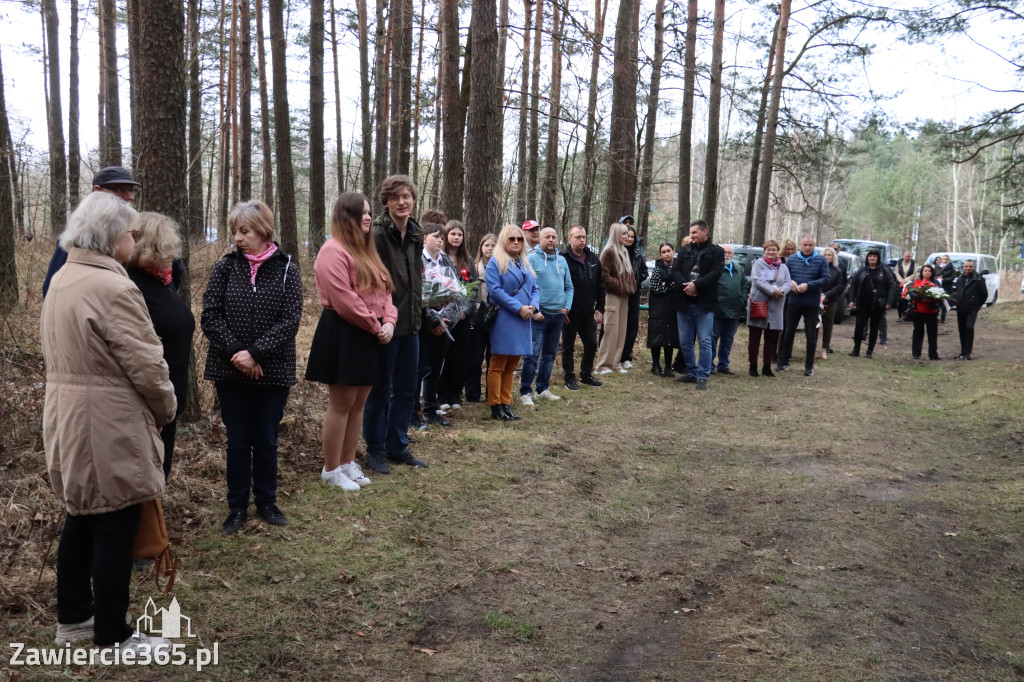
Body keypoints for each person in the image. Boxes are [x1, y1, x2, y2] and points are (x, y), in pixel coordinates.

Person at [43, 192, 176, 652]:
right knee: (116, 523)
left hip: (67, 416)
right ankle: (113, 633)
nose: (134, 239)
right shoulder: (114, 288)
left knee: (81, 515)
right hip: (108, 421)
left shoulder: (64, 277)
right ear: (109, 236)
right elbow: (149, 366)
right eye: (129, 232)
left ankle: (75, 618)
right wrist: (166, 410)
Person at [201, 200, 303, 535]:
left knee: (267, 439)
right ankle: (237, 507)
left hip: (273, 369)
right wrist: (239, 354)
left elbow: (290, 320)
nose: (238, 238)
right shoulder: (226, 267)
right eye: (235, 231)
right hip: (231, 370)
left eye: (244, 231)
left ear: (263, 230)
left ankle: (267, 502)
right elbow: (211, 315)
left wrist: (256, 354)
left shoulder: (287, 267)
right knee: (238, 441)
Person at [306, 192, 396, 492]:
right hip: (344, 332)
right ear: (346, 217)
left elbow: (386, 294)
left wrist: (390, 323)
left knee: (359, 404)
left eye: (369, 212)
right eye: (361, 213)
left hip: (369, 333)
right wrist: (375, 325)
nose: (368, 218)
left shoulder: (367, 251)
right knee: (341, 403)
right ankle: (330, 469)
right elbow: (344, 300)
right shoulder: (332, 251)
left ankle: (346, 462)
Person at [363, 175, 434, 473]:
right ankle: (375, 450)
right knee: (380, 391)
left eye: (406, 196)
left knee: (407, 390)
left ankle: (397, 445)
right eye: (395, 198)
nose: (401, 202)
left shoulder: (416, 234)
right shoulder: (378, 234)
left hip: (412, 325)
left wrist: (424, 312)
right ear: (386, 202)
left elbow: (416, 280)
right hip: (385, 326)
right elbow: (370, 280)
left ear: (413, 199)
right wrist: (380, 320)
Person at [124, 213, 196, 481]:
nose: (174, 253)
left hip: (167, 402)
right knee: (143, 478)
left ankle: (152, 523)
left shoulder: (162, 281)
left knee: (159, 474)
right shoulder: (131, 286)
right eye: (169, 245)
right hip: (148, 405)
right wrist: (158, 406)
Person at [42, 166, 160, 297]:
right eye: (119, 189)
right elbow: (51, 290)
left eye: (131, 190)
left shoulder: (138, 228)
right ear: (98, 190)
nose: (129, 196)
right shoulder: (81, 235)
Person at [486, 224, 540, 421]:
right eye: (511, 239)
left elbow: (535, 289)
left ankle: (506, 403)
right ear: (504, 241)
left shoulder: (525, 263)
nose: (516, 242)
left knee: (511, 366)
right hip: (505, 318)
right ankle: (495, 405)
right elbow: (495, 291)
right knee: (498, 365)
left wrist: (532, 307)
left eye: (519, 239)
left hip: (524, 318)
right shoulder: (495, 262)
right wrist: (519, 308)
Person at [520, 227, 574, 405]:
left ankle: (542, 388)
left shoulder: (562, 260)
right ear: (540, 239)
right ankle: (526, 392)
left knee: (550, 355)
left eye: (554, 237)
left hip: (557, 315)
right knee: (532, 355)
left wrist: (566, 307)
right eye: (547, 237)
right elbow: (526, 288)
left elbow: (569, 287)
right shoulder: (531, 259)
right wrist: (534, 311)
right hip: (539, 316)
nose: (551, 240)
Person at [670, 219, 724, 390]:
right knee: (685, 341)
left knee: (705, 340)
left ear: (705, 232)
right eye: (690, 232)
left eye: (694, 232)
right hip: (684, 302)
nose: (691, 235)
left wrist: (697, 285)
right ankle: (691, 372)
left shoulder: (717, 251)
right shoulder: (685, 250)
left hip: (705, 304)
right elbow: (675, 271)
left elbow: (716, 273)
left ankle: (703, 375)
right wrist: (686, 286)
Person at [417, 223, 458, 426]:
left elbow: (457, 292)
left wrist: (446, 318)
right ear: (424, 238)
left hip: (444, 323)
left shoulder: (446, 261)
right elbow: (417, 296)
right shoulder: (418, 259)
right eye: (436, 236)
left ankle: (431, 410)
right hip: (424, 325)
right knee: (419, 369)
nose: (441, 240)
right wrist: (433, 321)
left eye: (442, 237)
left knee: (435, 370)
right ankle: (414, 411)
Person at [776, 236, 830, 376]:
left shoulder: (821, 260)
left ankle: (809, 366)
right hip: (794, 301)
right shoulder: (793, 259)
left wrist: (809, 285)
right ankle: (783, 362)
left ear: (814, 245)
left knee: (811, 333)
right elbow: (784, 276)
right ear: (800, 245)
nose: (807, 247)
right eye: (805, 245)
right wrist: (791, 283)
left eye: (810, 245)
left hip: (811, 302)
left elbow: (826, 278)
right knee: (789, 331)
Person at [561, 225, 605, 390]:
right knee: (568, 346)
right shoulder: (562, 258)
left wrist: (600, 308)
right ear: (569, 239)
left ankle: (586, 375)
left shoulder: (593, 259)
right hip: (569, 312)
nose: (581, 240)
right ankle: (569, 377)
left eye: (583, 237)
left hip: (588, 312)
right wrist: (562, 308)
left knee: (592, 344)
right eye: (578, 237)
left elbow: (600, 285)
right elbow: (560, 287)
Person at [438, 220, 475, 410]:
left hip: (462, 318)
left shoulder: (467, 260)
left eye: (459, 235)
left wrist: (464, 311)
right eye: (453, 234)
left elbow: (474, 289)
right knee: (443, 354)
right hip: (443, 316)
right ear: (446, 236)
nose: (456, 237)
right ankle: (442, 394)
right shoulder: (440, 258)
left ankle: (455, 393)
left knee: (459, 356)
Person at [595, 223, 637, 375]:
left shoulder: (624, 252)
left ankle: (615, 362)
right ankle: (602, 365)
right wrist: (619, 284)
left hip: (624, 296)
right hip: (612, 295)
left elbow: (629, 275)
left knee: (621, 331)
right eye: (623, 234)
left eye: (628, 234)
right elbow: (603, 275)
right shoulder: (609, 252)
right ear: (616, 235)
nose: (627, 237)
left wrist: (630, 285)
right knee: (611, 330)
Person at [747, 240, 792, 377]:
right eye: (769, 250)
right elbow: (758, 281)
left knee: (771, 339)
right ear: (764, 251)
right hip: (759, 304)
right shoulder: (758, 264)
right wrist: (773, 291)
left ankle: (767, 366)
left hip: (776, 307)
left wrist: (782, 291)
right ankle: (753, 366)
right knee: (755, 338)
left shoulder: (783, 267)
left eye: (774, 250)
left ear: (778, 251)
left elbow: (788, 282)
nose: (771, 252)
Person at [465, 232, 497, 402]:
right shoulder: (474, 267)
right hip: (477, 319)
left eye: (493, 245)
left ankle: (491, 393)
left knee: (494, 358)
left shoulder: (502, 268)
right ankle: (472, 394)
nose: (490, 248)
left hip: (496, 319)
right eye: (487, 245)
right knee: (474, 359)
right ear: (481, 248)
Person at [848, 250, 896, 358]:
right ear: (867, 258)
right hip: (862, 303)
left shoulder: (885, 270)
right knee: (859, 326)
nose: (872, 258)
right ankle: (856, 349)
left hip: (878, 305)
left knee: (874, 327)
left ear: (878, 258)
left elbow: (892, 285)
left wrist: (889, 301)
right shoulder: (861, 270)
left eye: (874, 256)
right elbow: (853, 285)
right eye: (870, 256)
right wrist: (851, 300)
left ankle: (870, 351)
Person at [711, 244, 748, 375]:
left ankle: (723, 364)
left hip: (735, 310)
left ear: (733, 255)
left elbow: (745, 284)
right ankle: (709, 364)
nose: (726, 255)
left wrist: (742, 299)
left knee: (728, 339)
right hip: (717, 310)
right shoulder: (714, 268)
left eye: (729, 252)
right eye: (724, 252)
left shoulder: (738, 268)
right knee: (713, 338)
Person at [646, 242, 679, 377]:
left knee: (669, 338)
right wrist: (671, 285)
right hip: (658, 308)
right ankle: (655, 365)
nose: (666, 254)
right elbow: (657, 288)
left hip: (673, 308)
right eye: (663, 252)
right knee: (657, 336)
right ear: (661, 254)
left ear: (673, 251)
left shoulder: (678, 267)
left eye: (668, 251)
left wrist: (668, 284)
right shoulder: (656, 269)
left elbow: (680, 284)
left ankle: (668, 366)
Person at [619, 224, 649, 369]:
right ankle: (614, 354)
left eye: (632, 236)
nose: (629, 239)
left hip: (634, 292)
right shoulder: (616, 252)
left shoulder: (637, 253)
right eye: (627, 236)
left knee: (632, 323)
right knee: (618, 324)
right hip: (619, 292)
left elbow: (644, 271)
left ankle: (626, 356)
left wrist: (635, 281)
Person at [953, 259, 988, 360]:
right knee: (962, 330)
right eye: (966, 266)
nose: (968, 268)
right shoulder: (959, 279)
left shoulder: (979, 279)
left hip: (972, 309)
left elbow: (984, 294)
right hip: (960, 308)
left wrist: (977, 305)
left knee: (969, 327)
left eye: (970, 266)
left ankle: (968, 352)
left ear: (973, 267)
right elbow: (956, 292)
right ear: (963, 267)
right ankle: (963, 352)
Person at [907, 263, 941, 360]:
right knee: (918, 332)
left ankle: (933, 354)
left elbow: (941, 296)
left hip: (932, 312)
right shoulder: (916, 282)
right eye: (925, 271)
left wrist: (933, 298)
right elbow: (911, 293)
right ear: (922, 272)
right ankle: (916, 353)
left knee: (932, 333)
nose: (927, 272)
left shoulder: (936, 283)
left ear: (932, 272)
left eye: (929, 271)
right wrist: (921, 297)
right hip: (918, 311)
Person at [819, 247, 846, 359]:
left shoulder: (837, 270)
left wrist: (827, 295)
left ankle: (825, 348)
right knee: (813, 324)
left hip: (831, 300)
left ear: (833, 256)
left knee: (828, 325)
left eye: (829, 255)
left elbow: (839, 286)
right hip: (816, 298)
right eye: (825, 255)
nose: (827, 257)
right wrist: (819, 294)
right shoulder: (817, 268)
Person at [895, 251, 916, 320]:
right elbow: (896, 272)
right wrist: (901, 281)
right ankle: (899, 316)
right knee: (899, 300)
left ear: (910, 257)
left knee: (906, 299)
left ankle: (905, 315)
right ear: (903, 256)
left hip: (909, 284)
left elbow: (914, 274)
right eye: (906, 256)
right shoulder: (899, 263)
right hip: (900, 283)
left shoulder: (913, 264)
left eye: (908, 256)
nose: (907, 257)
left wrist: (906, 280)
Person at [936, 255, 956, 323]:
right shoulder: (937, 267)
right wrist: (937, 279)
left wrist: (944, 280)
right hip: (938, 286)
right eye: (943, 259)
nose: (944, 260)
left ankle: (943, 317)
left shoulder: (951, 267)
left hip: (947, 287)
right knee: (937, 302)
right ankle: (935, 316)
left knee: (945, 302)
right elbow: (934, 275)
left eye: (946, 259)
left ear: (948, 260)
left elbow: (952, 277)